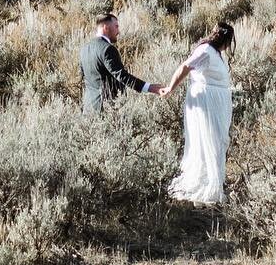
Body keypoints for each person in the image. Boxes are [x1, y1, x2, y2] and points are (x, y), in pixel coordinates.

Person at [160, 21, 235, 204]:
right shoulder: (206, 51)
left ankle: (212, 184)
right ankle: (205, 188)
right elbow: (185, 67)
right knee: (208, 140)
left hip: (216, 101)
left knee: (216, 141)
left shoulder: (215, 52)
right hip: (206, 102)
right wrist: (171, 87)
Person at [80, 12, 163, 112]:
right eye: (116, 26)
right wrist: (149, 87)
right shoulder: (107, 49)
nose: (118, 31)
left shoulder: (84, 49)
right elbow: (121, 75)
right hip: (107, 109)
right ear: (106, 27)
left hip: (89, 109)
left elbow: (83, 77)